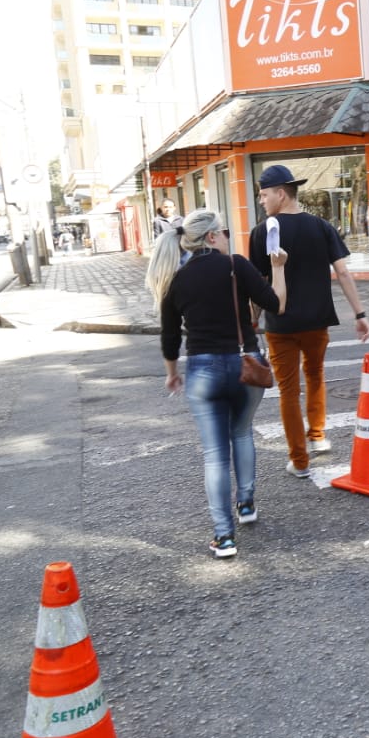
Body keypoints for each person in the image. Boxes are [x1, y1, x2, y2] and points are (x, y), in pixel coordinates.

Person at [146, 209, 288, 559]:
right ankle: (247, 504)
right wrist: (279, 267)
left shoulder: (175, 279)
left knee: (214, 455)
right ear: (211, 237)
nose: (228, 236)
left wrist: (171, 373)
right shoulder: (236, 265)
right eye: (224, 231)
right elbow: (276, 305)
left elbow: (169, 338)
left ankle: (224, 537)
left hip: (203, 371)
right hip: (245, 365)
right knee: (241, 433)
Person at [249, 165, 369, 479]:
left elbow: (259, 283)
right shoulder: (322, 226)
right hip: (317, 321)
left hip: (281, 324)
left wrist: (253, 319)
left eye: (264, 195)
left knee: (289, 391)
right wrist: (360, 314)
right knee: (315, 376)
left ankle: (300, 461)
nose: (261, 201)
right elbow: (343, 272)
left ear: (280, 193)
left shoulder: (262, 232)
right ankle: (317, 436)